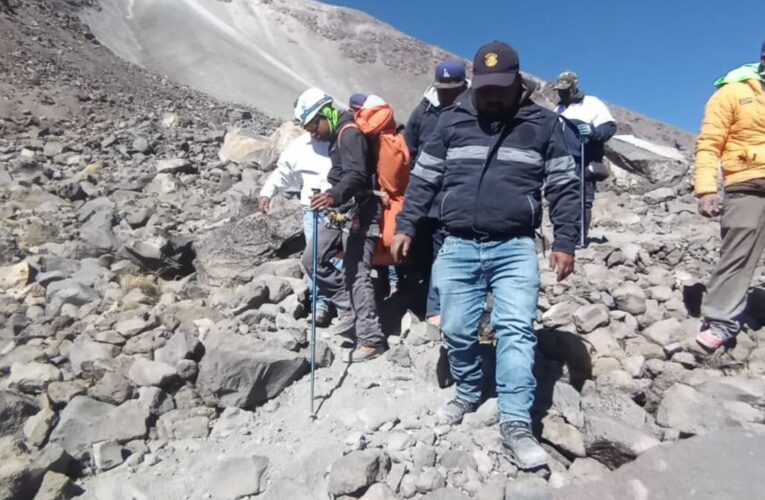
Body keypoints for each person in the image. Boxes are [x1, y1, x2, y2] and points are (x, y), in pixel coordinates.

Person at [392, 41, 579, 470]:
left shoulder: (543, 125)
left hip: (514, 246)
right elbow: (424, 178)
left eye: (500, 87)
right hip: (456, 244)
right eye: (484, 87)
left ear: (518, 81)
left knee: (515, 330)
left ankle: (516, 423)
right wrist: (406, 225)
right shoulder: (453, 120)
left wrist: (565, 241)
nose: (492, 96)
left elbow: (564, 187)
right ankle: (470, 389)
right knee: (456, 329)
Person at [296, 87, 387, 363]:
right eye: (307, 127)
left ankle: (371, 339)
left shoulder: (350, 133)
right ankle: (348, 307)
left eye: (313, 124)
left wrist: (332, 195)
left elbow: (358, 175)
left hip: (363, 208)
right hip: (342, 209)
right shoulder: (339, 135)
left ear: (326, 114)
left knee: (356, 271)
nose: (312, 132)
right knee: (312, 258)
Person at [694, 40, 765, 352]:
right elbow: (709, 143)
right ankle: (720, 320)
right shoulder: (733, 91)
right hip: (747, 184)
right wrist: (707, 188)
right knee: (738, 255)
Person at [404, 59, 470, 326]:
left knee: (445, 253)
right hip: (424, 196)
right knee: (423, 253)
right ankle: (422, 303)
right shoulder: (423, 111)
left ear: (463, 86)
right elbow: (407, 148)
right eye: (443, 88)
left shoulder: (474, 108)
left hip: (456, 197)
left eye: (453, 88)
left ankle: (436, 311)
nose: (447, 93)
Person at [258, 131, 337, 327]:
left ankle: (341, 302)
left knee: (339, 256)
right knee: (315, 257)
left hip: (340, 207)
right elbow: (284, 171)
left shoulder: (343, 139)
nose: (312, 129)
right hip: (313, 208)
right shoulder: (299, 146)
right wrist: (267, 192)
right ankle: (321, 304)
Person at [553, 71, 617, 244]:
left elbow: (610, 127)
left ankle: (580, 239)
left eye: (565, 90)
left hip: (583, 159)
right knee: (562, 199)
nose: (561, 93)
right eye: (559, 90)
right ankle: (564, 239)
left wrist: (593, 132)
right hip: (561, 162)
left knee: (582, 201)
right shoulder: (558, 109)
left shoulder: (591, 103)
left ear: (574, 87)